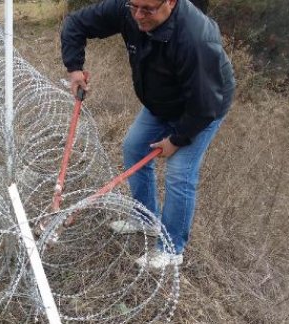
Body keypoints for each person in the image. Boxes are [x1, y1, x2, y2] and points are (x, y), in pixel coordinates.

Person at [61, 0, 235, 269]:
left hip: (201, 107)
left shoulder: (195, 37)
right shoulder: (129, 9)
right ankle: (145, 219)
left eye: (148, 10)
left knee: (180, 171)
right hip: (161, 102)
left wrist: (176, 139)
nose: (138, 16)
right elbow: (76, 24)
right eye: (134, 7)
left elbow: (205, 105)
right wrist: (74, 69)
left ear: (171, 2)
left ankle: (170, 248)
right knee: (134, 147)